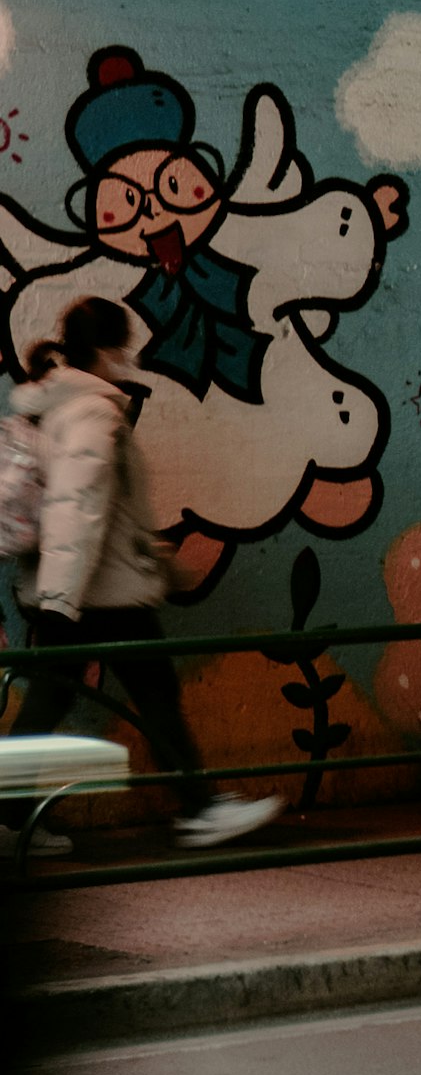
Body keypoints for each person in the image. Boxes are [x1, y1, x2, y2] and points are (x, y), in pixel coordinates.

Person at [0, 300, 283, 855]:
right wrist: (63, 598)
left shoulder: (56, 404)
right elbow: (77, 505)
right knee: (155, 696)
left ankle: (8, 824)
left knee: (51, 701)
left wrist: (158, 564)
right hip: (101, 595)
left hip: (81, 589)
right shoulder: (94, 411)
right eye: (122, 349)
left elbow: (100, 510)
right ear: (107, 350)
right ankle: (201, 811)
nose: (126, 360)